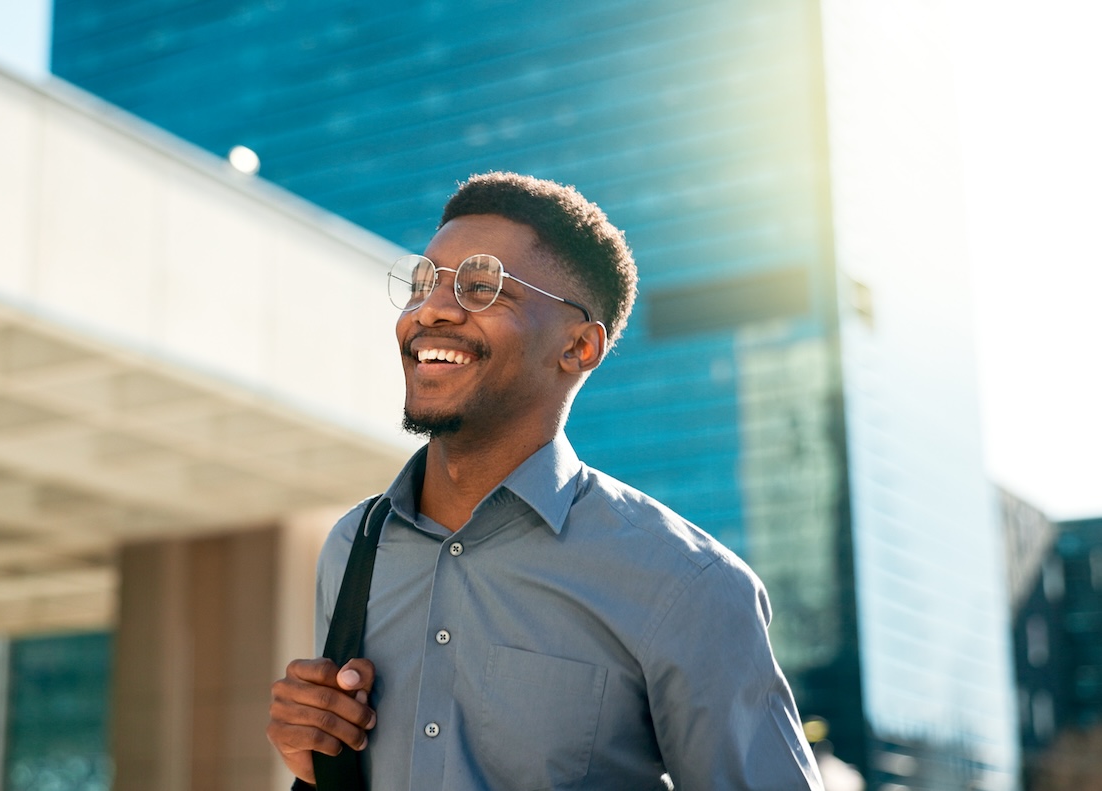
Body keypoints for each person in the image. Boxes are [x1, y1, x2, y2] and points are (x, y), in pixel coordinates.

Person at [266, 172, 822, 791]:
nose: (432, 310)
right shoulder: (353, 546)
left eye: (482, 287)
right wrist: (315, 761)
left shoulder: (690, 587)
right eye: (424, 283)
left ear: (579, 347)